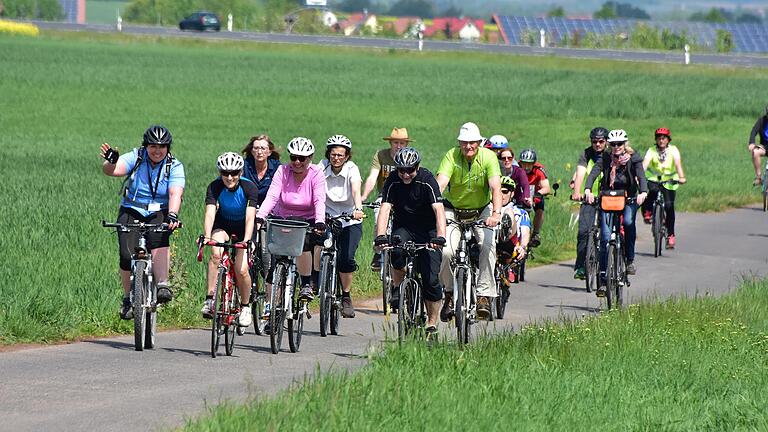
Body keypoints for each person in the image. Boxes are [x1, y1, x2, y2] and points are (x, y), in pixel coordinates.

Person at [99, 125, 185, 319]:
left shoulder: (175, 166)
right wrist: (110, 162)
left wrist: (172, 214)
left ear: (168, 148)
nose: (157, 150)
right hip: (132, 209)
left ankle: (162, 285)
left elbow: (175, 192)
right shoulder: (137, 157)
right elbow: (113, 170)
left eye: (162, 146)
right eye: (153, 146)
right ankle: (128, 298)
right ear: (145, 146)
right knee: (125, 254)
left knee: (159, 239)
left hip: (160, 211)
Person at [374, 147, 446, 338]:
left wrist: (440, 237)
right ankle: (400, 287)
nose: (405, 174)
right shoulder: (393, 180)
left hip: (428, 230)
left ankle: (431, 323)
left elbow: (439, 210)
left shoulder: (427, 179)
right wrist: (381, 236)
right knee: (396, 253)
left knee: (430, 279)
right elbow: (385, 208)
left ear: (417, 167)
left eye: (410, 170)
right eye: (401, 170)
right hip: (404, 226)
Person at [436, 122, 502, 321]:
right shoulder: (451, 156)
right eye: (464, 143)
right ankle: (448, 294)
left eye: (472, 142)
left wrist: (496, 214)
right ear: (459, 143)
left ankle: (484, 295)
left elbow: (496, 188)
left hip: (482, 210)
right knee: (445, 250)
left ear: (479, 142)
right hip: (453, 210)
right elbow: (441, 183)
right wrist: (432, 202)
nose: (468, 147)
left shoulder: (488, 157)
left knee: (487, 244)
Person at [256, 137, 326, 309]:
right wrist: (260, 216)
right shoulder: (282, 171)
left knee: (304, 245)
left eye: (302, 158)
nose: (297, 162)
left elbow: (319, 200)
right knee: (274, 261)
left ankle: (305, 285)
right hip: (282, 217)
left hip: (307, 220)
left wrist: (319, 221)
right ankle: (272, 307)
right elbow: (272, 196)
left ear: (310, 158)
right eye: (294, 157)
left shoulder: (316, 173)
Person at [585, 129, 648, 293]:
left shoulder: (633, 158)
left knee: (628, 222)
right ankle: (604, 277)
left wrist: (643, 192)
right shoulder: (605, 157)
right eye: (613, 144)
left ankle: (629, 260)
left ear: (625, 144)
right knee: (605, 237)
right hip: (609, 198)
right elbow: (593, 173)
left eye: (619, 144)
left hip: (628, 198)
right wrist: (587, 189)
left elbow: (641, 175)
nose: (616, 147)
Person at [200, 152, 258, 327]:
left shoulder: (249, 188)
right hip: (223, 225)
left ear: (240, 173)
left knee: (241, 270)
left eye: (234, 173)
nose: (230, 177)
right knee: (215, 254)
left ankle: (245, 306)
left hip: (244, 229)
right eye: (225, 173)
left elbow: (250, 217)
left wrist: (247, 240)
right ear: (220, 173)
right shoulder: (214, 187)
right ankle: (210, 299)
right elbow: (210, 213)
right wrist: (207, 236)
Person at [316, 135, 365, 318]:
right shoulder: (321, 166)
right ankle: (314, 279)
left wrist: (358, 209)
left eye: (341, 155)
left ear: (347, 156)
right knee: (315, 241)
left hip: (349, 217)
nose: (336, 158)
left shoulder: (352, 169)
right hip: (327, 215)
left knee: (346, 258)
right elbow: (315, 189)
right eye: (333, 154)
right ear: (328, 154)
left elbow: (355, 190)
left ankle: (345, 296)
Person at [361, 127, 412, 271]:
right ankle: (378, 252)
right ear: (390, 143)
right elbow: (372, 177)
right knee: (379, 218)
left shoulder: (410, 157)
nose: (398, 146)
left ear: (406, 144)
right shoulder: (381, 155)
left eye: (402, 143)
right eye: (395, 142)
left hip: (404, 197)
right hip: (384, 197)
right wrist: (364, 196)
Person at [570, 126, 609, 280]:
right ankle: (580, 265)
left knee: (609, 233)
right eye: (594, 141)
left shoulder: (610, 154)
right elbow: (580, 172)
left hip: (608, 197)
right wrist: (577, 192)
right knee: (583, 232)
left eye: (601, 141)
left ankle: (612, 261)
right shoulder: (586, 154)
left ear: (606, 142)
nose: (597, 144)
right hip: (588, 196)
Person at [641, 127, 687, 249]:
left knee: (669, 206)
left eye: (664, 138)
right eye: (659, 138)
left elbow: (677, 164)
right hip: (654, 178)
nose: (661, 140)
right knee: (652, 191)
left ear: (668, 140)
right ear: (656, 140)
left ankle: (670, 235)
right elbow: (645, 164)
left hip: (669, 180)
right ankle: (648, 211)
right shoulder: (651, 150)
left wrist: (681, 177)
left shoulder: (673, 150)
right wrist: (639, 176)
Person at [496, 176, 531, 283]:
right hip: (489, 242)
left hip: (510, 245)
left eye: (505, 192)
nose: (501, 195)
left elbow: (525, 233)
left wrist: (523, 247)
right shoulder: (486, 210)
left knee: (509, 213)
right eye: (498, 191)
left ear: (512, 194)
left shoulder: (521, 213)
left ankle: (505, 231)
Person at [518, 148, 551, 248]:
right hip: (520, 193)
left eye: (529, 164)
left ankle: (536, 233)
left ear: (534, 163)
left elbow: (546, 187)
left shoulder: (539, 171)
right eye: (524, 163)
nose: (526, 167)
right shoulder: (516, 168)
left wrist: (538, 194)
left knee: (540, 209)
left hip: (534, 194)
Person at [242, 134, 281, 205]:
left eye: (263, 148)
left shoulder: (277, 168)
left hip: (270, 208)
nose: (259, 152)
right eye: (256, 148)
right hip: (247, 206)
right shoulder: (243, 166)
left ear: (269, 152)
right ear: (251, 151)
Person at [748, 106, 768, 186]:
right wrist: (751, 143)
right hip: (765, 147)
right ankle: (759, 178)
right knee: (755, 152)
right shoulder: (762, 121)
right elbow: (754, 131)